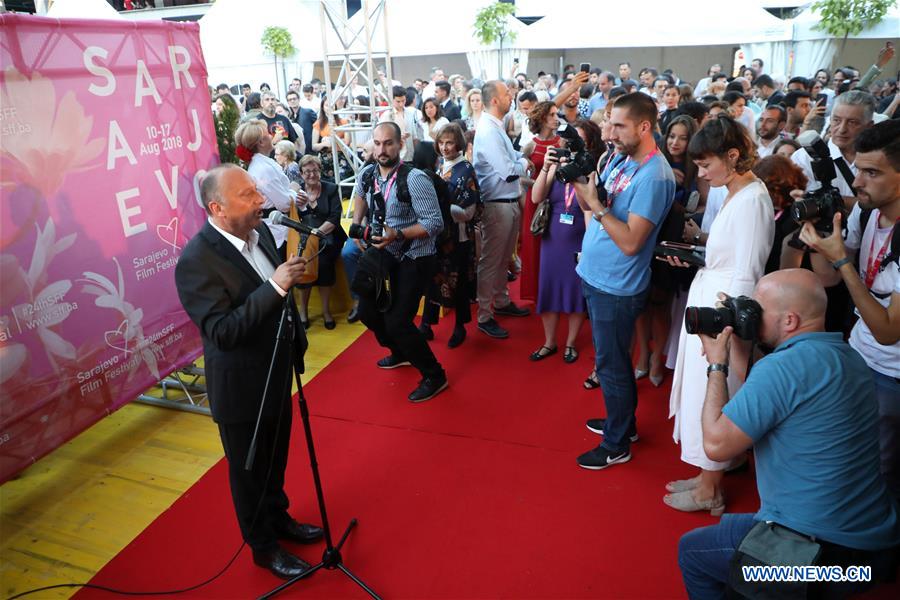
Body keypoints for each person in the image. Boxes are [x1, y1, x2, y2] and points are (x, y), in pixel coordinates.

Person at [677, 269, 900, 600]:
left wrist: (716, 365)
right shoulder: (850, 357)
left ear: (790, 320)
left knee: (691, 552)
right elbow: (765, 391)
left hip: (815, 560)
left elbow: (716, 445)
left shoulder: (782, 370)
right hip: (873, 546)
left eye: (757, 310)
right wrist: (740, 342)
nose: (750, 316)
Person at [174, 164, 323, 580]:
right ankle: (263, 547)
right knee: (248, 473)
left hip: (276, 372)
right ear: (217, 207)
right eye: (248, 195)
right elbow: (222, 332)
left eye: (257, 191)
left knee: (275, 462)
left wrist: (295, 342)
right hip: (241, 388)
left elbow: (280, 303)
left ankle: (279, 519)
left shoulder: (259, 237)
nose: (261, 200)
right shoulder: (196, 262)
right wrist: (275, 286)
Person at [665, 115, 774, 514]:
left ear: (733, 155)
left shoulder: (752, 199)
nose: (702, 172)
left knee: (715, 392)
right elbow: (726, 252)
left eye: (707, 164)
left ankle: (711, 488)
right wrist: (695, 257)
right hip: (710, 294)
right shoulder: (734, 190)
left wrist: (724, 331)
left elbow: (747, 272)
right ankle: (705, 474)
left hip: (722, 312)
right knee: (698, 391)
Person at [571, 92, 675, 469]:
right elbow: (594, 204)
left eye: (618, 125)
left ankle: (617, 444)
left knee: (612, 365)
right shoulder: (620, 156)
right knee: (612, 361)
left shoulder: (655, 176)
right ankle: (623, 424)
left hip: (617, 286)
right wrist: (583, 189)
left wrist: (596, 206)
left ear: (644, 127)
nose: (609, 132)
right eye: (608, 122)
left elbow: (632, 242)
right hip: (597, 276)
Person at [799, 119, 900, 499]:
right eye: (858, 168)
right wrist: (820, 239)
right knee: (846, 461)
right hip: (858, 357)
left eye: (872, 172)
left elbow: (889, 331)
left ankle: (874, 557)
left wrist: (843, 261)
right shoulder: (867, 212)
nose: (857, 182)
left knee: (879, 482)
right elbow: (828, 279)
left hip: (891, 378)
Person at [351, 122, 448, 402]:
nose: (382, 150)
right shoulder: (368, 173)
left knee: (397, 322)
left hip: (414, 257)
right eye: (378, 143)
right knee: (368, 312)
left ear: (399, 145)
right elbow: (360, 194)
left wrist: (398, 234)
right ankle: (401, 352)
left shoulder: (415, 178)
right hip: (382, 254)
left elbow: (434, 222)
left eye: (388, 143)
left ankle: (434, 374)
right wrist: (358, 224)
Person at [473, 81, 533, 339]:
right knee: (491, 261)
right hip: (497, 204)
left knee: (502, 258)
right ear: (495, 100)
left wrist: (519, 159)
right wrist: (525, 161)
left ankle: (500, 301)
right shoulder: (488, 130)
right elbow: (509, 172)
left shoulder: (494, 127)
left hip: (506, 202)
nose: (512, 97)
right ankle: (485, 315)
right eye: (507, 94)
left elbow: (511, 161)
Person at [528, 123, 589, 363]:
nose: (567, 145)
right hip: (552, 239)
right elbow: (535, 197)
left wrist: (577, 173)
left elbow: (587, 204)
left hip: (579, 237)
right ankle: (549, 342)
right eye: (564, 141)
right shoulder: (553, 165)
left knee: (575, 292)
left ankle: (571, 343)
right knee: (549, 289)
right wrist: (547, 167)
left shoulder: (587, 166)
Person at [419, 123, 480, 348]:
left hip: (459, 238)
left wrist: (441, 208)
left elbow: (469, 212)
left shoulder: (466, 169)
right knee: (433, 279)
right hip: (437, 237)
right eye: (441, 142)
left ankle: (459, 327)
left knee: (459, 283)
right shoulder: (439, 166)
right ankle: (426, 325)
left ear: (459, 144)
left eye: (449, 143)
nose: (444, 147)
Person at [790, 90, 876, 207]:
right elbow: (801, 204)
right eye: (836, 120)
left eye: (852, 122)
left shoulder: (880, 160)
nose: (842, 129)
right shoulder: (804, 157)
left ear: (869, 126)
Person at [295, 155, 346, 330]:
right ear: (301, 174)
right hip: (305, 239)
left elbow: (334, 218)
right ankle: (303, 312)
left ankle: (326, 311)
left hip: (329, 237)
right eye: (307, 171)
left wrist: (317, 234)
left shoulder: (331, 188)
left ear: (320, 171)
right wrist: (309, 237)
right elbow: (294, 217)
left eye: (315, 170)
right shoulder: (296, 193)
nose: (311, 174)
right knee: (303, 264)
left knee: (324, 263)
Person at [519, 101, 563, 304]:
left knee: (554, 246)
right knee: (533, 244)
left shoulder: (562, 143)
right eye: (552, 114)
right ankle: (536, 292)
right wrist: (538, 182)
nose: (556, 117)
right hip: (534, 200)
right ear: (542, 118)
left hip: (557, 200)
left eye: (557, 114)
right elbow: (518, 176)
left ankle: (553, 291)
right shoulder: (531, 145)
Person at [234, 120, 296, 257]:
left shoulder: (261, 164)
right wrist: (295, 191)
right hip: (278, 232)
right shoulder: (263, 169)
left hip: (277, 229)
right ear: (261, 142)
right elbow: (284, 204)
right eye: (268, 133)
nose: (271, 135)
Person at [379, 85, 421, 163]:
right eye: (398, 101)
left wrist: (417, 153)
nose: (401, 104)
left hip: (410, 155)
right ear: (392, 100)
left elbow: (414, 135)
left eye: (403, 101)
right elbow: (381, 136)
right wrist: (398, 137)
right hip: (394, 156)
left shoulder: (410, 113)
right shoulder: (387, 115)